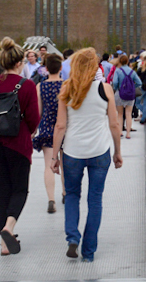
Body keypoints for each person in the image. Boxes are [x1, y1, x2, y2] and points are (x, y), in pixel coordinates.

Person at [51, 48, 123, 261]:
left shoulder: (67, 89)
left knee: (72, 195)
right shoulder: (106, 89)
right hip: (100, 151)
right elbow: (114, 124)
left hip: (72, 152)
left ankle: (73, 238)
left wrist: (54, 157)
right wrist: (117, 152)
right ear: (95, 67)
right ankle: (89, 252)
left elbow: (60, 126)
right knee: (95, 199)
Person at [0, 37, 41, 255]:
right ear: (20, 63)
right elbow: (33, 119)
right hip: (18, 144)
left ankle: (5, 244)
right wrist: (29, 131)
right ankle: (9, 227)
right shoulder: (27, 85)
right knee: (20, 189)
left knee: (0, 194)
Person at [31, 54, 64, 213]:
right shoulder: (66, 85)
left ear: (45, 68)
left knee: (48, 164)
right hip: (64, 127)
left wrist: (34, 129)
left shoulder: (40, 87)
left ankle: (51, 199)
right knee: (65, 163)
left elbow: (38, 111)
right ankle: (65, 192)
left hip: (46, 127)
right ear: (61, 68)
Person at [109, 54, 139, 139]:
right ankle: (128, 133)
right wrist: (132, 88)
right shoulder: (132, 71)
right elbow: (139, 82)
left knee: (120, 114)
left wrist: (118, 88)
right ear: (127, 61)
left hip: (119, 94)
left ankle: (120, 132)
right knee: (128, 114)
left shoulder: (118, 71)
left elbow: (114, 82)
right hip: (130, 95)